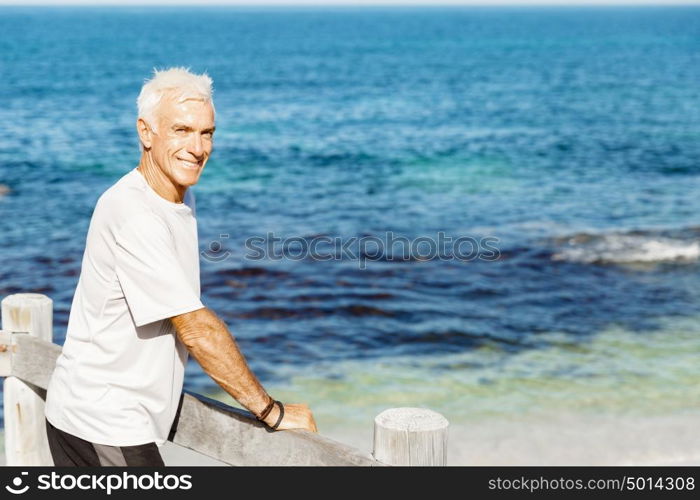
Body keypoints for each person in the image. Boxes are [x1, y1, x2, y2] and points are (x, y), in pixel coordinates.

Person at [44, 67, 317, 466]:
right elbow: (196, 328)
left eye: (206, 133)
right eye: (181, 130)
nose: (197, 147)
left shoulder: (175, 196)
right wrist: (270, 411)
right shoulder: (135, 213)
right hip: (105, 424)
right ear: (146, 132)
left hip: (101, 417)